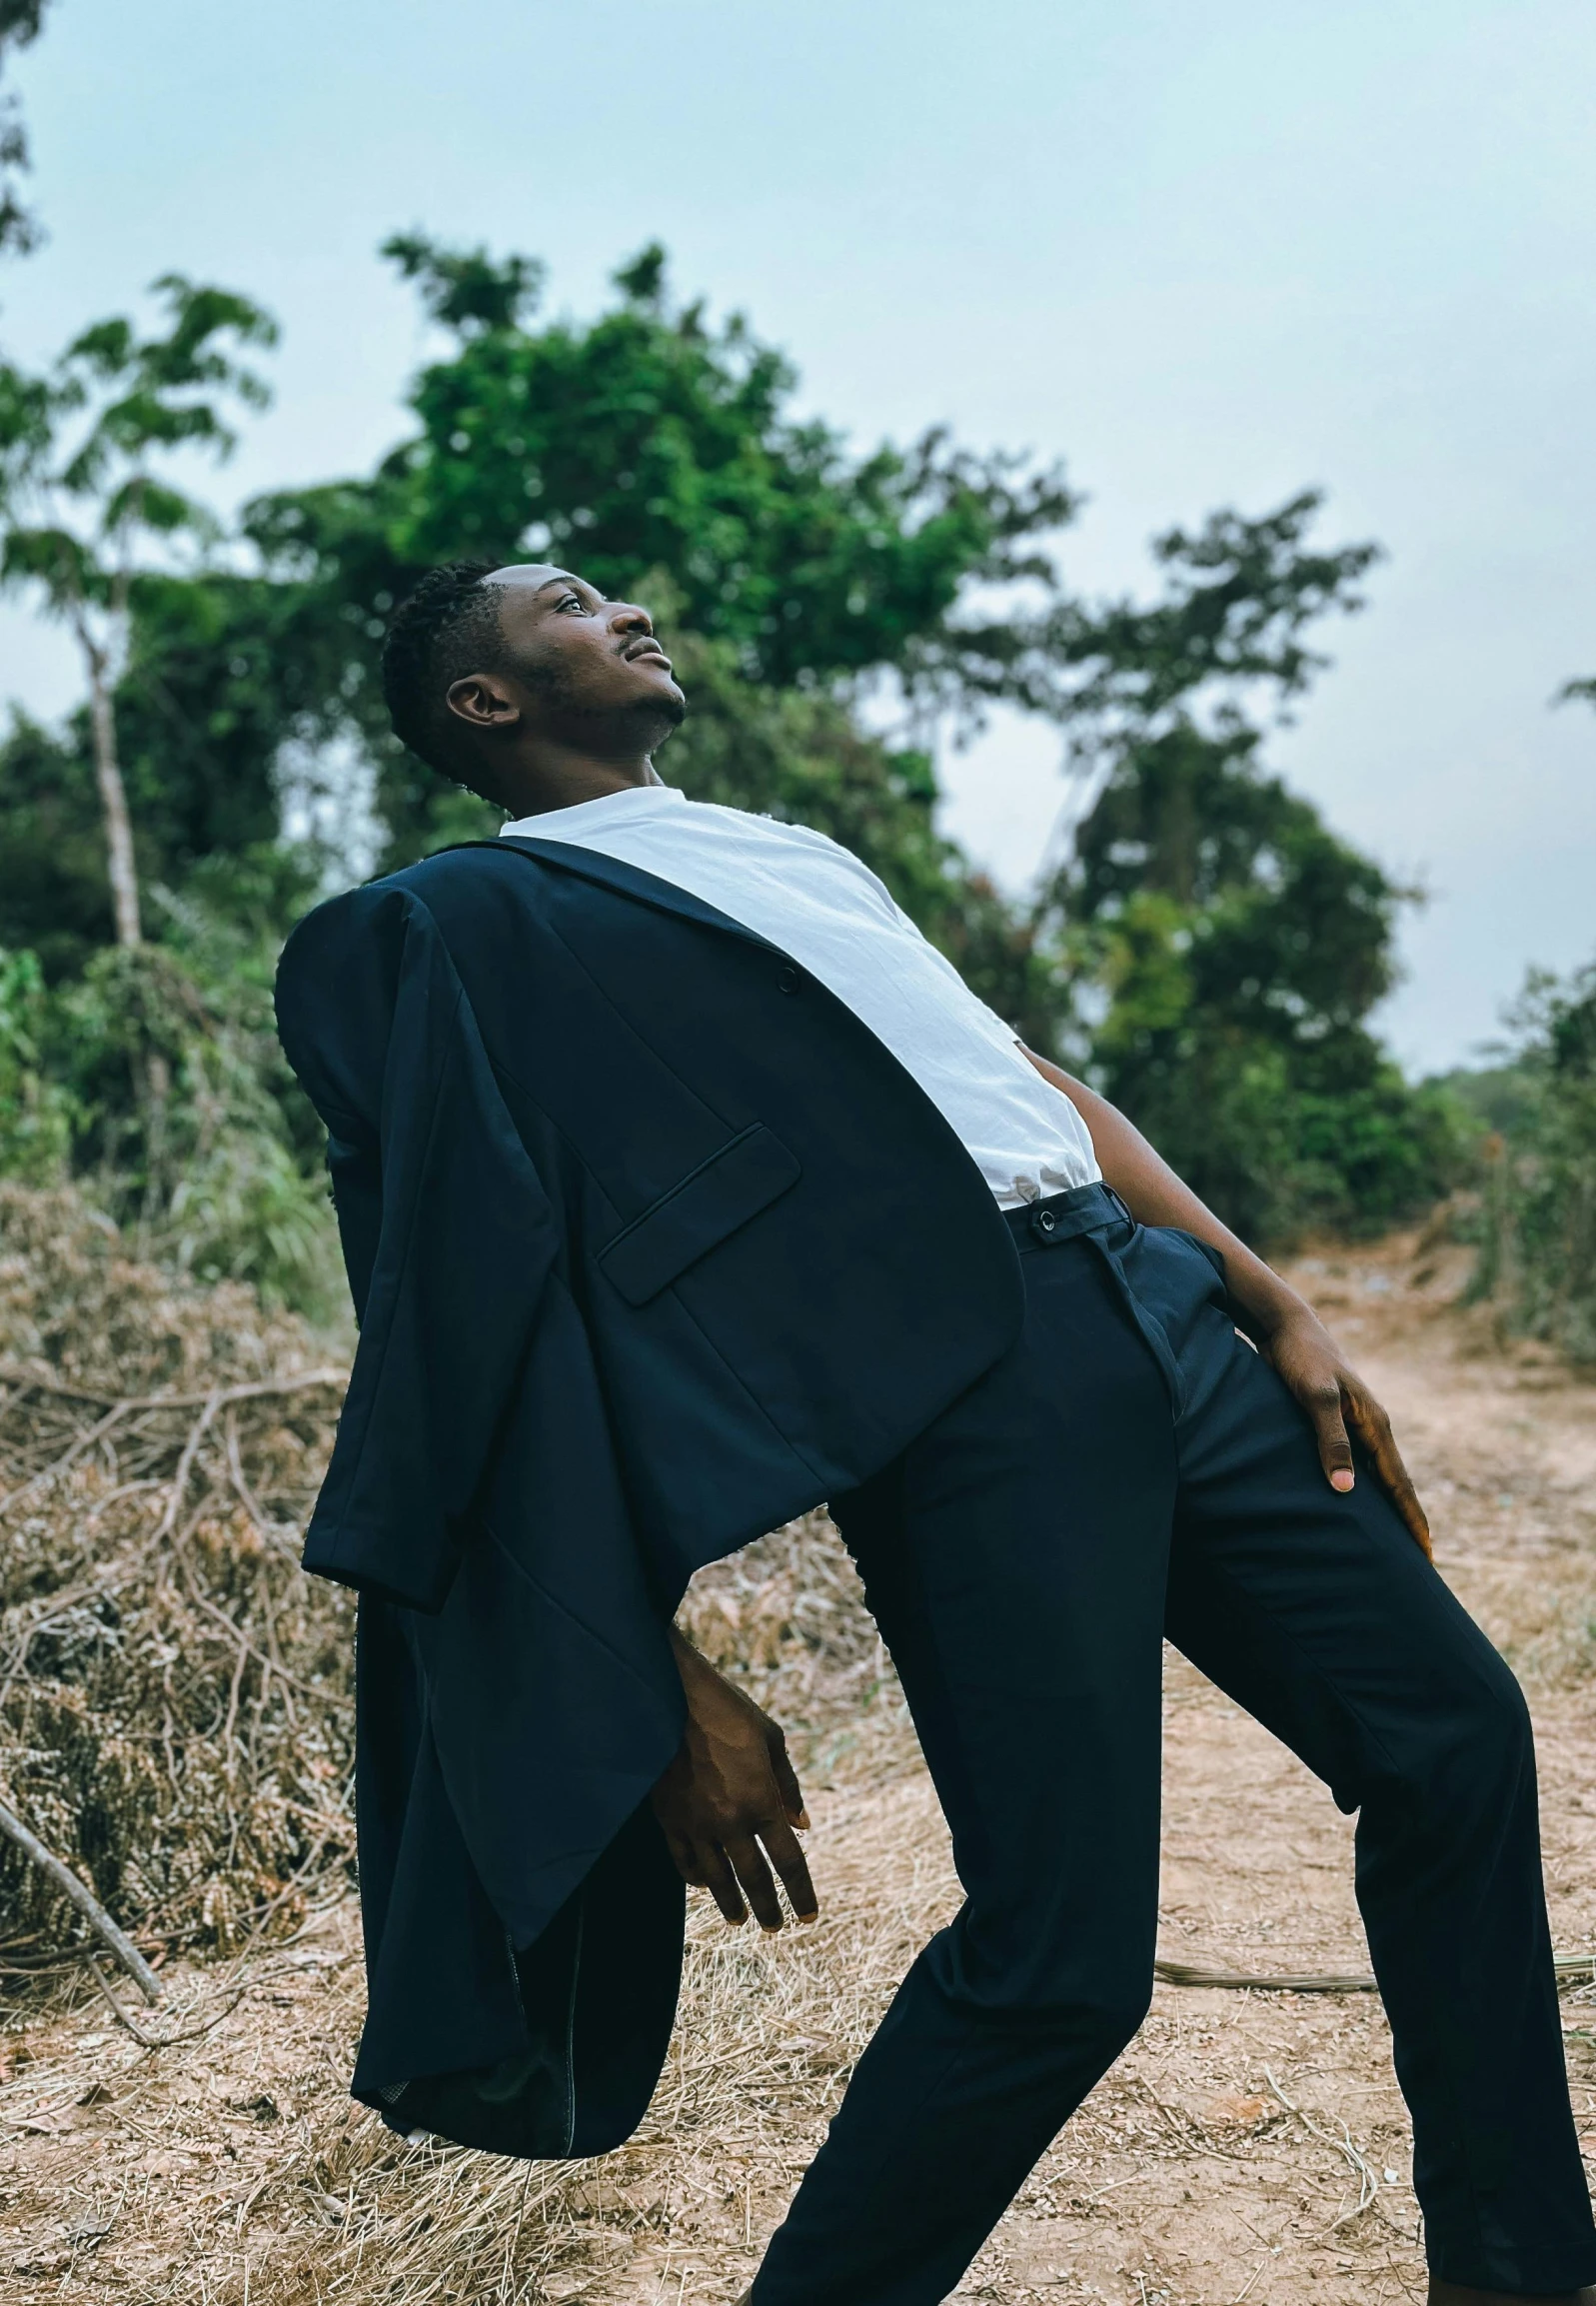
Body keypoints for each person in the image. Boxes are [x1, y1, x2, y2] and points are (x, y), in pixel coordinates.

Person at [274, 559, 1596, 2306]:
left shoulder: (791, 852)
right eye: (572, 601)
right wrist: (652, 1672)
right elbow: (473, 1342)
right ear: (483, 701)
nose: (629, 608)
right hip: (965, 1396)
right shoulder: (477, 932)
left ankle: (1518, 2268)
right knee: (1061, 1959)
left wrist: (1267, 1296)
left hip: (1149, 1306)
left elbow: (1030, 1081)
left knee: (1452, 1739)